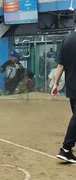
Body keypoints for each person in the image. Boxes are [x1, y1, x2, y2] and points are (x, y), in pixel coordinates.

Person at [52, 14, 76, 163]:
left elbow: (60, 65)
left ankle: (67, 149)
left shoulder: (67, 40)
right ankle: (66, 149)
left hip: (72, 88)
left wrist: (56, 84)